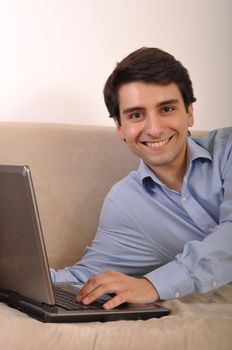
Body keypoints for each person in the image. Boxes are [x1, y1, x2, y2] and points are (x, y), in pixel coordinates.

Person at [50, 47, 232, 310]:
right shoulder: (124, 203)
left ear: (189, 112)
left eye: (167, 109)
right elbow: (85, 278)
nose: (155, 128)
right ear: (120, 127)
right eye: (136, 115)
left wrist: (153, 285)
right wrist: (15, 275)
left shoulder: (228, 150)